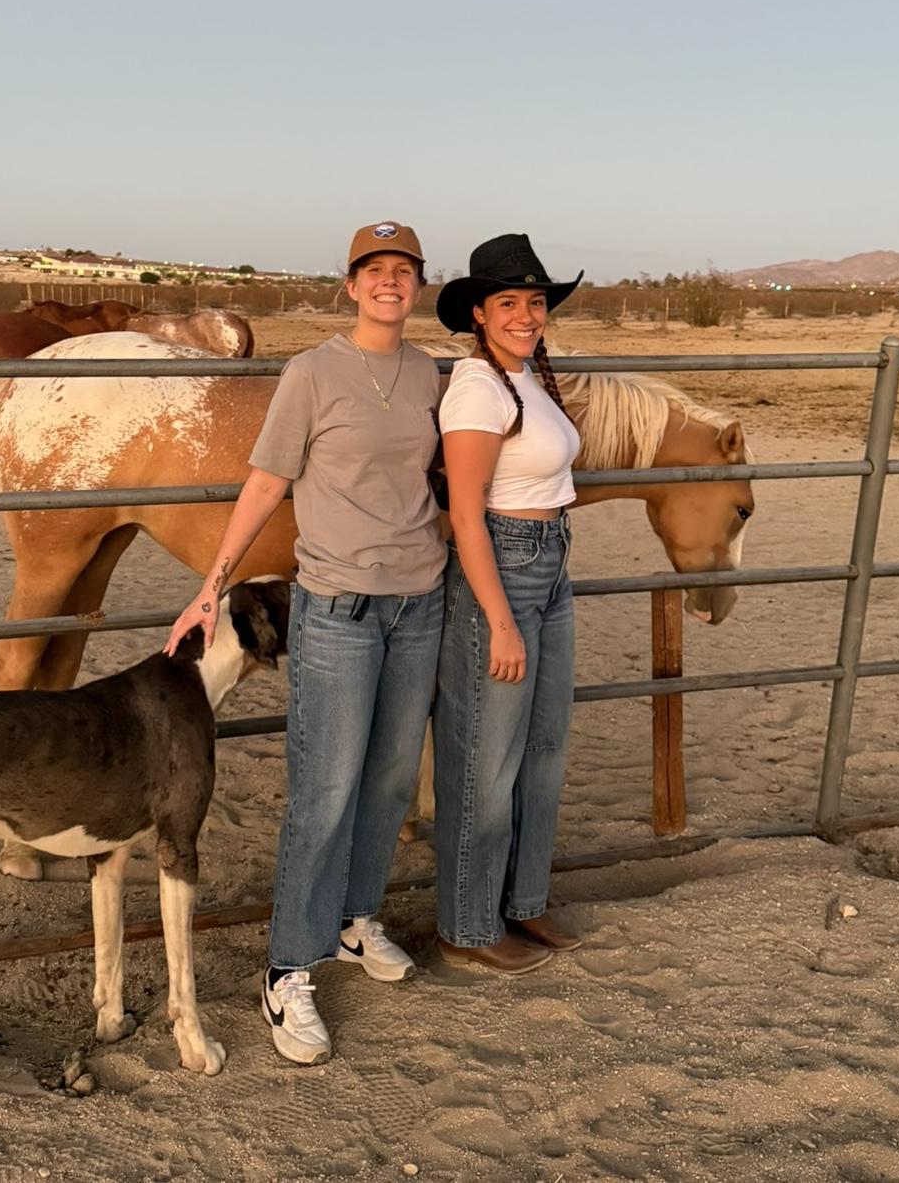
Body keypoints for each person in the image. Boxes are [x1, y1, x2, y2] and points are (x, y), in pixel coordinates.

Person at [165, 221, 445, 1065]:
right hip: (338, 612)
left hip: (418, 605)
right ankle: (288, 968)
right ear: (351, 285)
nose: (390, 282)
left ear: (417, 283)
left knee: (389, 781)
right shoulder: (311, 373)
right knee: (324, 791)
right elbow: (265, 484)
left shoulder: (428, 372)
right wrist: (211, 585)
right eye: (375, 270)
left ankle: (356, 922)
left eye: (403, 270)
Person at [431, 233, 585, 973]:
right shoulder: (476, 388)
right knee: (486, 759)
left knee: (544, 749)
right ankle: (467, 926)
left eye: (535, 301)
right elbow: (465, 513)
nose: (525, 315)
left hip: (550, 563)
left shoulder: (526, 377)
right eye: (508, 303)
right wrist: (497, 618)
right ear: (479, 313)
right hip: (504, 567)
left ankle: (523, 901)